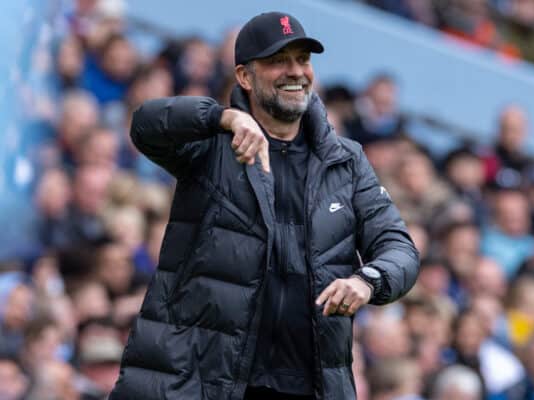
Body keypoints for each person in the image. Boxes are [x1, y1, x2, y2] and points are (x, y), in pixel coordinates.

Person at [109, 11, 419, 400]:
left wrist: (367, 280)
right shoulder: (211, 145)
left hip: (310, 384)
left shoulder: (347, 160)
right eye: (278, 61)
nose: (296, 72)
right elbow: (146, 124)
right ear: (244, 76)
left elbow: (400, 249)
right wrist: (222, 118)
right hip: (203, 382)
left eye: (303, 60)